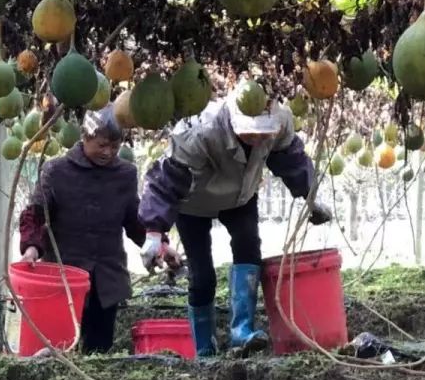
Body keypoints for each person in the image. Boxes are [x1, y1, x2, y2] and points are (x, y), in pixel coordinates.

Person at [139, 89, 331, 356]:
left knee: (248, 247)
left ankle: (242, 331)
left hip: (241, 197)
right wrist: (153, 231)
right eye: (249, 133)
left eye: (262, 134)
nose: (256, 139)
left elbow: (290, 158)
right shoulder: (201, 130)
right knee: (202, 273)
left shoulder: (281, 120)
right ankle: (204, 349)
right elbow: (168, 179)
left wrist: (311, 195)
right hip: (194, 202)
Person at [18, 105, 179, 353]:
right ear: (85, 138)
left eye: (114, 147)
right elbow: (36, 214)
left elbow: (134, 220)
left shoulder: (125, 174)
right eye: (102, 145)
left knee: (99, 349)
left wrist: (161, 246)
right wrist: (31, 248)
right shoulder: (56, 171)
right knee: (60, 347)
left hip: (107, 276)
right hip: (65, 274)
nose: (108, 152)